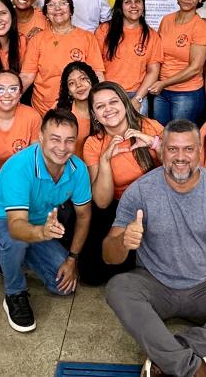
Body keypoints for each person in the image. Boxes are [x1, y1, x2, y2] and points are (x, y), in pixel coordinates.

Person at [103, 119, 206, 377]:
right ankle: (194, 368)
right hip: (154, 283)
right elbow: (109, 256)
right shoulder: (139, 191)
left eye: (188, 149)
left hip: (205, 285)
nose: (180, 157)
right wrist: (123, 241)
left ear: (200, 152)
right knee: (117, 288)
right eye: (172, 149)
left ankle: (165, 356)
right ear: (162, 151)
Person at [0, 109, 92, 332]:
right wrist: (42, 233)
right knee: (14, 240)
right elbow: (16, 226)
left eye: (69, 140)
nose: (62, 147)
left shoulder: (78, 169)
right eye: (55, 139)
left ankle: (5, 258)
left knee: (63, 286)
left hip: (35, 226)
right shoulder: (20, 167)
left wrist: (72, 259)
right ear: (41, 137)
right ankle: (14, 293)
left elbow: (84, 215)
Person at [82, 82, 163, 285]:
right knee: (91, 273)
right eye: (100, 106)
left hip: (156, 202)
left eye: (113, 102)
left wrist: (154, 143)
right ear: (94, 115)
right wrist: (105, 160)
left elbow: (181, 169)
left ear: (124, 103)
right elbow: (102, 202)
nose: (108, 109)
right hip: (120, 206)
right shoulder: (93, 143)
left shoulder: (149, 126)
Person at [21, 0, 106, 115]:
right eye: (51, 5)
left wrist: (102, 103)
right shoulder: (37, 40)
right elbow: (27, 76)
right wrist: (11, 97)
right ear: (46, 13)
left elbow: (97, 74)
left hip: (79, 111)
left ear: (71, 10)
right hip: (43, 111)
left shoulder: (87, 38)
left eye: (62, 3)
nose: (57, 8)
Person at [150, 0, 206, 125]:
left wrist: (164, 83)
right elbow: (158, 53)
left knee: (179, 135)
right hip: (161, 90)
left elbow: (195, 68)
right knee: (160, 132)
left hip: (186, 93)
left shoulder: (200, 27)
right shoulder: (167, 20)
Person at [94, 0, 163, 114]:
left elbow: (153, 71)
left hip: (137, 94)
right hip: (108, 92)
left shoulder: (152, 35)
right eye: (127, 2)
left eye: (137, 1)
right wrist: (106, 94)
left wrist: (137, 99)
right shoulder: (104, 30)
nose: (133, 6)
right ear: (120, 6)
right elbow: (97, 67)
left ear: (143, 5)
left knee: (138, 128)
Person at [57, 61, 100, 158]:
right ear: (69, 91)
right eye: (71, 83)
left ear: (92, 80)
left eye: (83, 79)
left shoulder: (104, 107)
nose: (79, 85)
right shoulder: (61, 114)